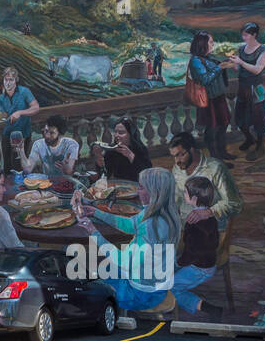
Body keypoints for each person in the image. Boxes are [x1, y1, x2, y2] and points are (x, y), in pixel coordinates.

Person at [75, 167, 181, 313]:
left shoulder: (152, 225)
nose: (138, 191)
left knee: (88, 286)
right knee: (98, 269)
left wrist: (93, 231)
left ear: (154, 192)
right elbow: (131, 225)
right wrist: (97, 213)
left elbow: (126, 262)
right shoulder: (163, 213)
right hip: (155, 284)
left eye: (142, 187)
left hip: (141, 294)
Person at [167, 132, 242, 234]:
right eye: (174, 156)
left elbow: (234, 204)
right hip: (184, 228)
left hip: (209, 230)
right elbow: (176, 199)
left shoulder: (215, 168)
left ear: (192, 150)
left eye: (180, 155)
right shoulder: (177, 169)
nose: (177, 161)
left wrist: (208, 212)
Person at [174, 176, 225, 318]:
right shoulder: (208, 216)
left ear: (194, 199)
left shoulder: (194, 220)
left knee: (170, 287)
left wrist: (179, 263)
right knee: (167, 267)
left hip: (199, 268)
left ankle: (209, 309)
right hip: (206, 262)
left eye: (185, 192)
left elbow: (191, 252)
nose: (183, 195)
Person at [187, 30, 237, 164]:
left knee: (223, 123)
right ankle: (216, 158)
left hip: (218, 97)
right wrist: (220, 67)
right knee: (212, 128)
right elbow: (204, 79)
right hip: (208, 99)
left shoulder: (207, 57)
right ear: (202, 43)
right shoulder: (195, 61)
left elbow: (215, 70)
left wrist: (225, 65)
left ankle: (222, 152)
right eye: (210, 42)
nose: (212, 44)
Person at [229, 23, 265, 161]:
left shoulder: (264, 50)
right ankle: (249, 139)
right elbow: (238, 69)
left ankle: (260, 146)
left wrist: (241, 62)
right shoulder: (241, 49)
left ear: (254, 35)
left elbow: (258, 69)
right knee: (240, 119)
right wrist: (233, 62)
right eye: (243, 34)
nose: (243, 37)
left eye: (246, 35)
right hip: (243, 88)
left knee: (260, 119)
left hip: (257, 88)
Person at [0, 66, 40, 174]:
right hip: (6, 136)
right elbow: (3, 117)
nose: (8, 83)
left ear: (16, 80)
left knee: (20, 167)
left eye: (11, 80)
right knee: (7, 167)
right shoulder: (0, 98)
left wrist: (20, 112)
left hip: (22, 136)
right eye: (6, 79)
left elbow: (36, 107)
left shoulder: (24, 92)